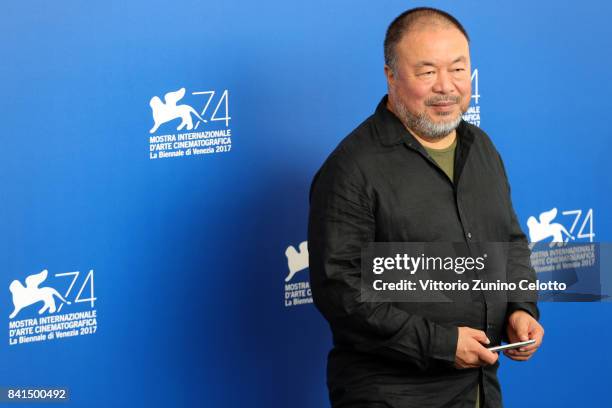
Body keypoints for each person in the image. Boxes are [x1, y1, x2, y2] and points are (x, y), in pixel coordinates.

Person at [308, 7, 545, 408]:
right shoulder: (352, 168)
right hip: (392, 394)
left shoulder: (481, 148)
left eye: (457, 69)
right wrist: (441, 342)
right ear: (391, 76)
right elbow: (340, 291)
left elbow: (510, 242)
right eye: (427, 72)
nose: (446, 87)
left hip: (480, 388)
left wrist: (521, 307)